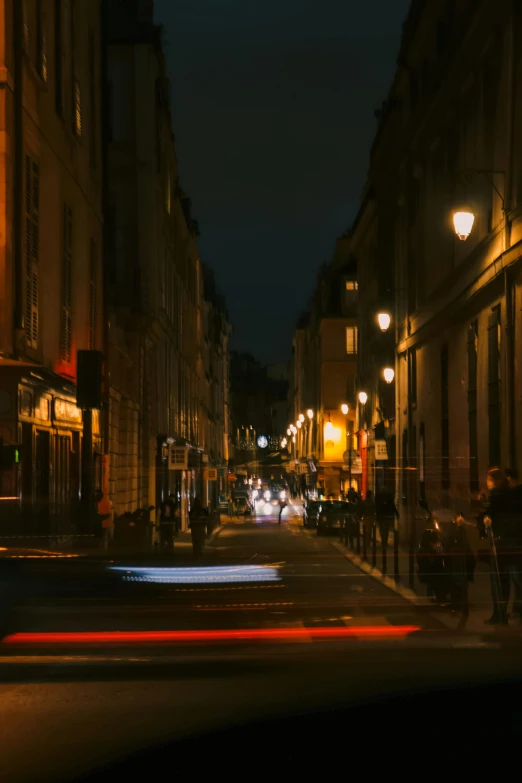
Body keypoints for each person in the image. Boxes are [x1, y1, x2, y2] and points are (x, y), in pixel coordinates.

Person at [478, 467, 519, 624]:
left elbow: (489, 515)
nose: (487, 483)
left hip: (499, 543)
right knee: (509, 578)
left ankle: (499, 613)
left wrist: (484, 521)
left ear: (494, 481)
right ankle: (506, 611)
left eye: (489, 480)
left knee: (498, 579)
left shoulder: (496, 496)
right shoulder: (511, 495)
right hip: (512, 541)